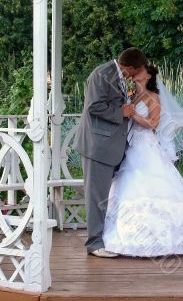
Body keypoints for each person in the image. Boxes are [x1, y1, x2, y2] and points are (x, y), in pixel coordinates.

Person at [102, 65, 183, 257]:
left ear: (149, 76)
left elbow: (154, 123)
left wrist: (134, 114)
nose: (136, 73)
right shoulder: (131, 95)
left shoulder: (153, 97)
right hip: (131, 146)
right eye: (135, 71)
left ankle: (165, 239)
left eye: (141, 71)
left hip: (146, 146)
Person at [73, 47, 148, 257]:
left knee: (103, 195)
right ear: (131, 67)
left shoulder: (116, 74)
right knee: (97, 197)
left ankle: (102, 237)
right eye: (137, 70)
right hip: (97, 146)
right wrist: (121, 111)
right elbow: (93, 107)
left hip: (109, 146)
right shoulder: (102, 74)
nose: (137, 75)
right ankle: (95, 244)